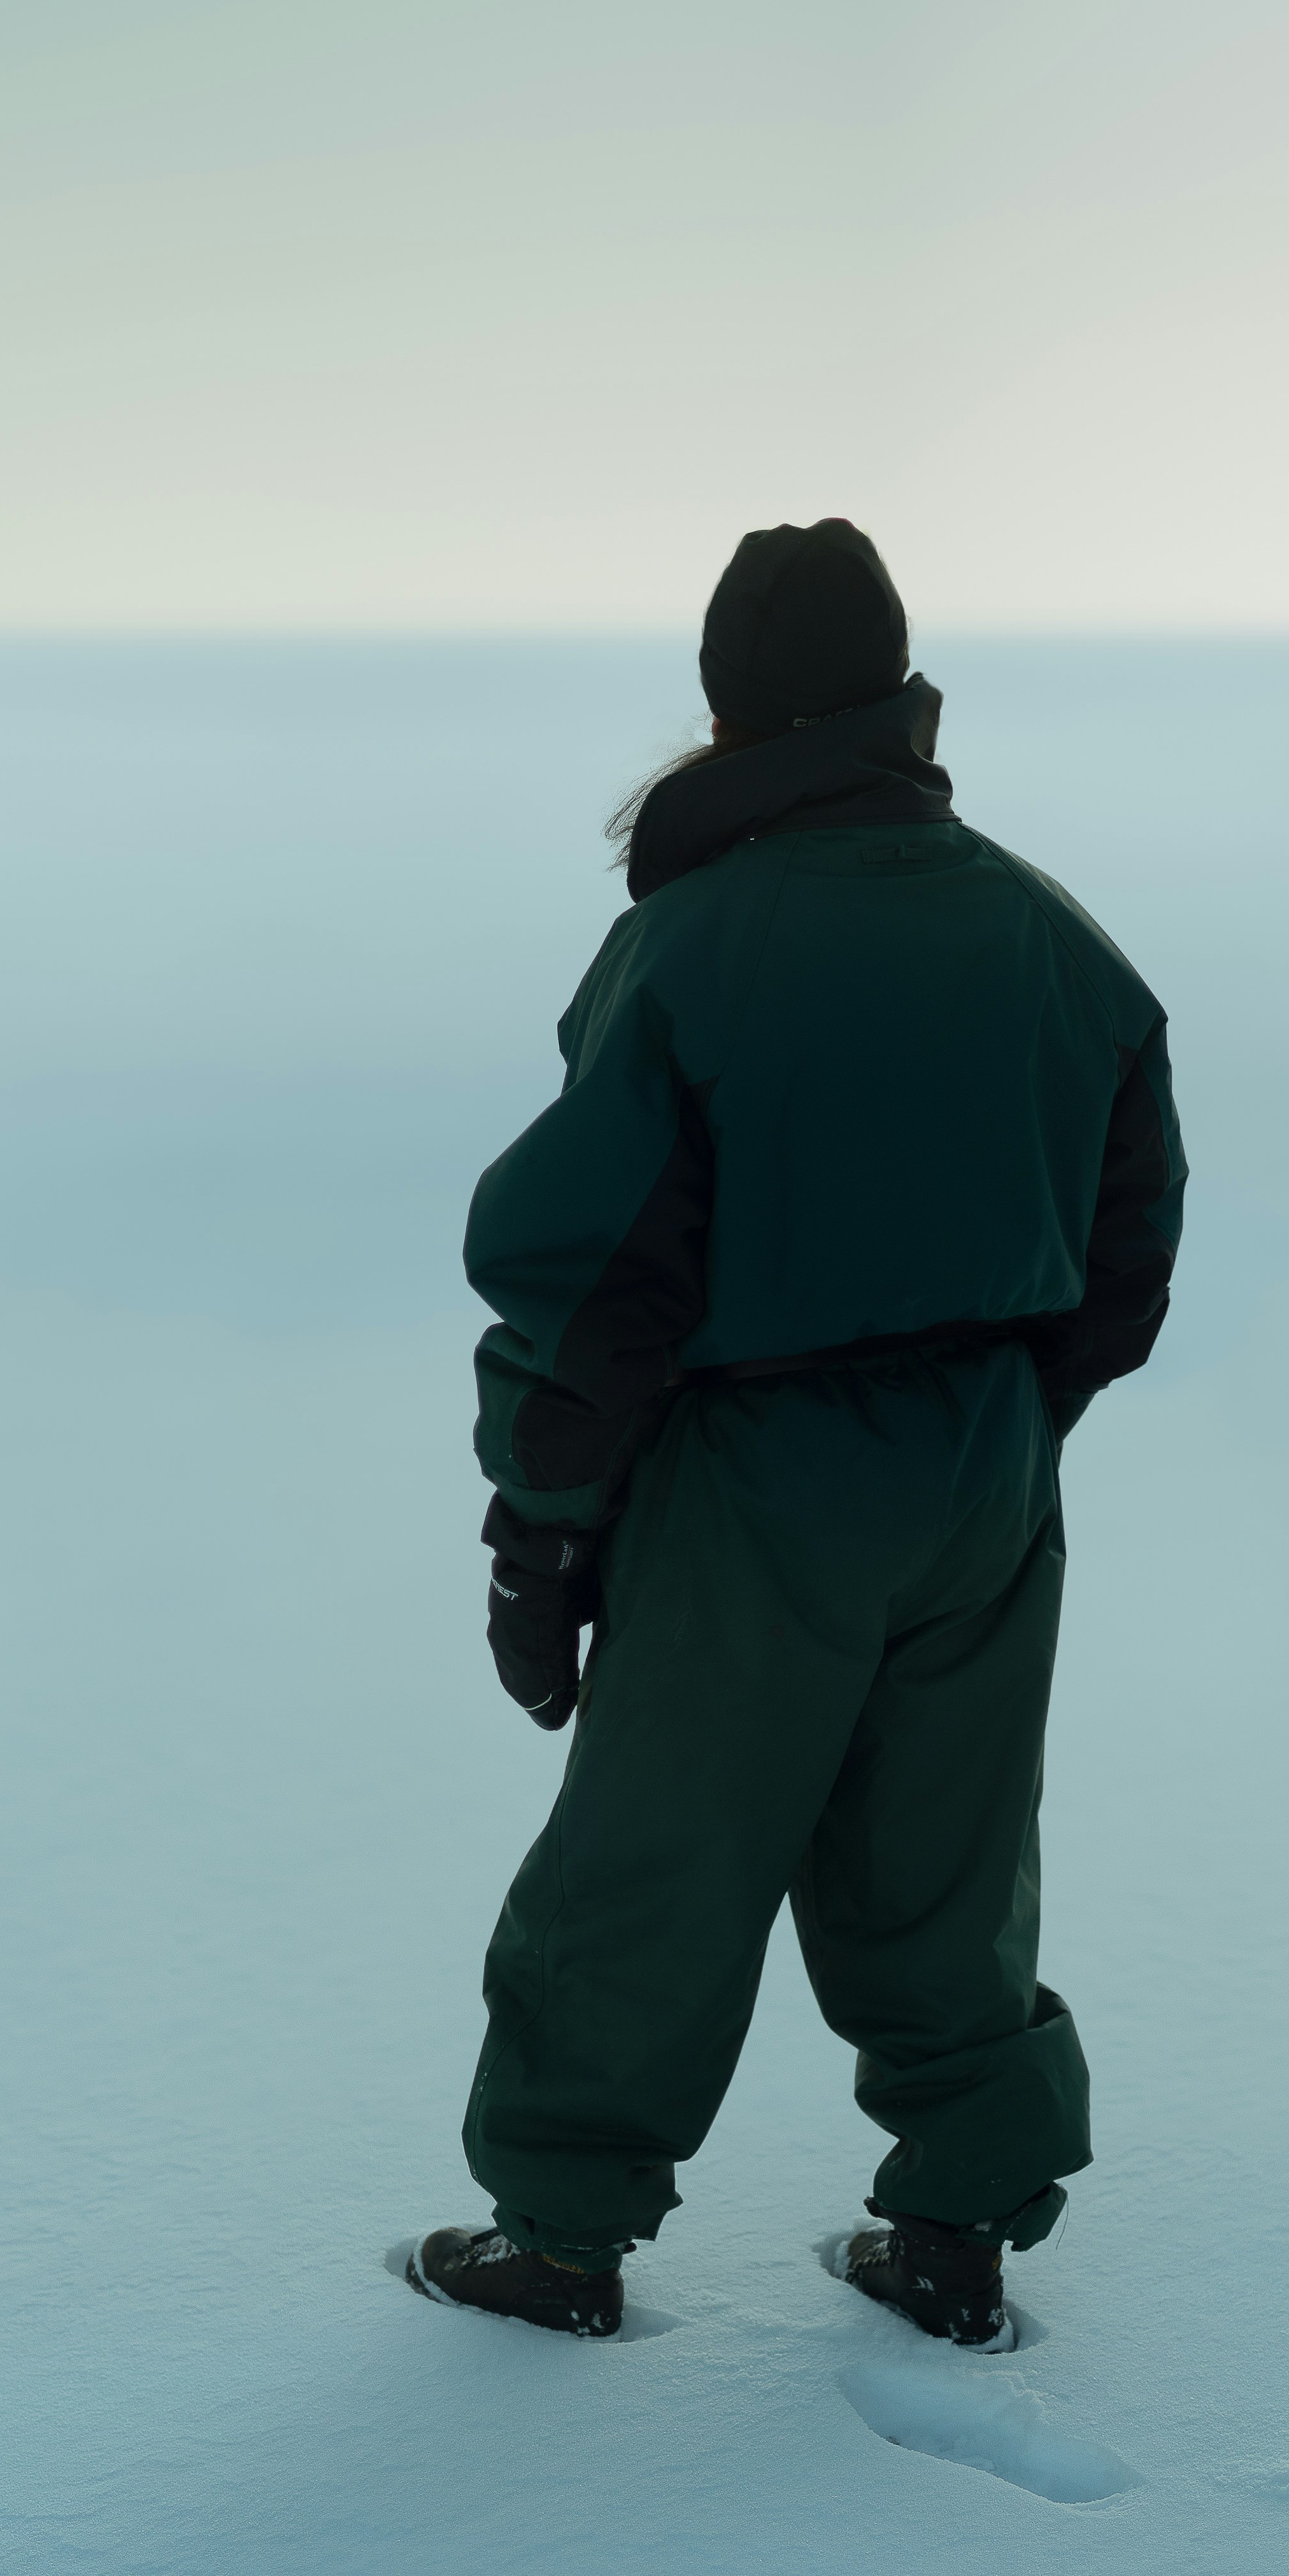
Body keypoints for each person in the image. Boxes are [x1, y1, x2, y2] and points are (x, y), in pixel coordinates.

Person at [406, 518, 1185, 2347]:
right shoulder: (1054, 936)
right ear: (901, 696)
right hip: (987, 1467)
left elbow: (583, 1282)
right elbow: (1130, 1251)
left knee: (656, 1858)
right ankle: (958, 2229)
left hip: (759, 1478)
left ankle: (561, 2235)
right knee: (947, 1857)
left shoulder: (693, 949)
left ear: (726, 705)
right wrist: (1001, 1415)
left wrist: (545, 1531)